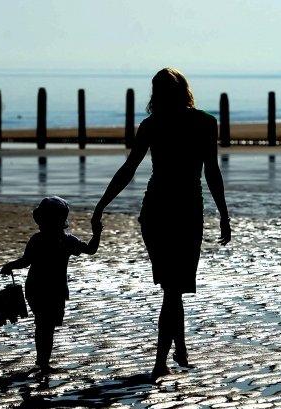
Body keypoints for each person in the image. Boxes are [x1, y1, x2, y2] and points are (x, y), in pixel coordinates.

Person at [92, 68, 231, 379]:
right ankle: (161, 362)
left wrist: (101, 206)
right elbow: (211, 172)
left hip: (159, 210)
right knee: (173, 288)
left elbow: (129, 168)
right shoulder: (203, 122)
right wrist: (223, 213)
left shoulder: (154, 124)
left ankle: (179, 352)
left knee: (173, 287)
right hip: (182, 211)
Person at [1, 196, 102, 372]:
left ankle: (42, 361)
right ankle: (43, 362)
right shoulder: (67, 240)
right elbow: (91, 250)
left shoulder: (38, 239)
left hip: (36, 288)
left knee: (43, 325)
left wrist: (10, 266)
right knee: (46, 326)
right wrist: (97, 234)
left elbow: (25, 261)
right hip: (54, 290)